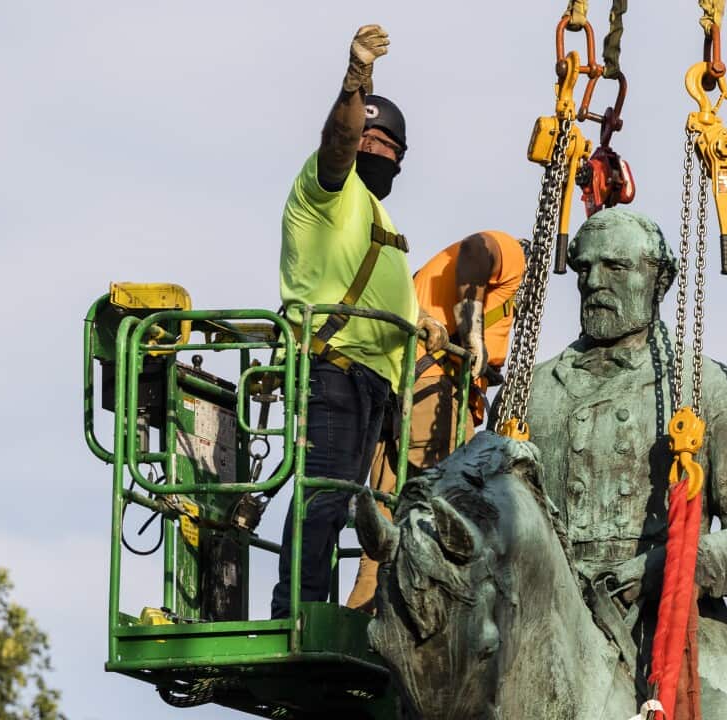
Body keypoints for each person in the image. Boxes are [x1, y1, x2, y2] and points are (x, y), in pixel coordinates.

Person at [523, 208, 727, 718]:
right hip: (549, 626)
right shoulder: (533, 392)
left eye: (615, 268)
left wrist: (680, 567)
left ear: (660, 280)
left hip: (677, 625)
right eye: (584, 269)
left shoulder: (712, 386)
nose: (594, 282)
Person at [271, 24, 448, 617]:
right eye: (367, 138)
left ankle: (355, 609)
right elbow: (338, 141)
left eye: (386, 144)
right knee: (324, 498)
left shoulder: (386, 225)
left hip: (376, 387)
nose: (373, 149)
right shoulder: (325, 190)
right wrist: (357, 77)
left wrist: (427, 330)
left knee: (366, 505)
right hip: (332, 372)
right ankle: (299, 613)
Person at [345, 230, 527, 611]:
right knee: (444, 507)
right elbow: (479, 250)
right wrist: (474, 336)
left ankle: (363, 613)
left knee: (385, 512)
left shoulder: (435, 275)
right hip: (434, 392)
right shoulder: (508, 253)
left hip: (403, 386)